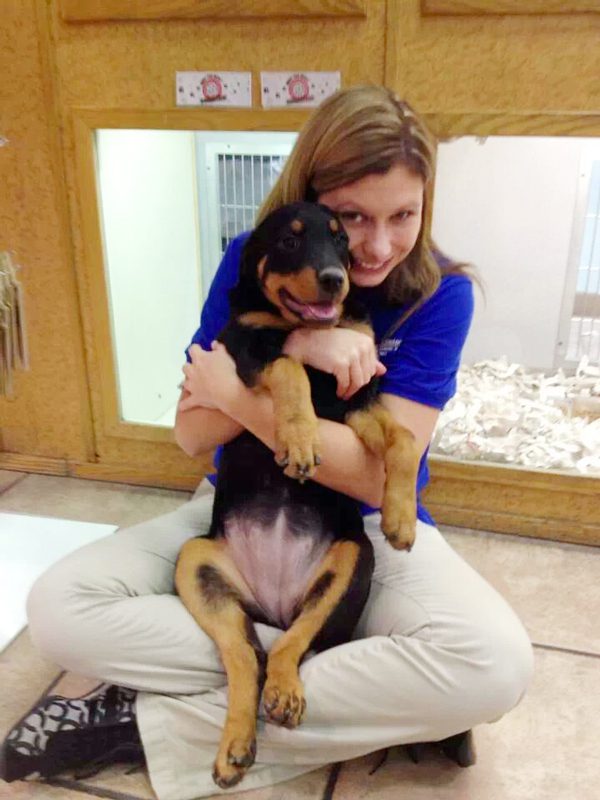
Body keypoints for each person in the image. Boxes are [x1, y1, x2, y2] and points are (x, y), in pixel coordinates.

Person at [0, 86, 533, 800]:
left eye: (403, 215)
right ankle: (382, 703)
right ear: (310, 207)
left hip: (365, 525)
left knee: (497, 665)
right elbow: (193, 433)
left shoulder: (442, 294)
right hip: (237, 505)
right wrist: (301, 350)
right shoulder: (252, 262)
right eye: (350, 217)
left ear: (425, 205)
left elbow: (378, 481)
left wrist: (237, 391)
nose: (373, 247)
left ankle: (147, 719)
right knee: (59, 609)